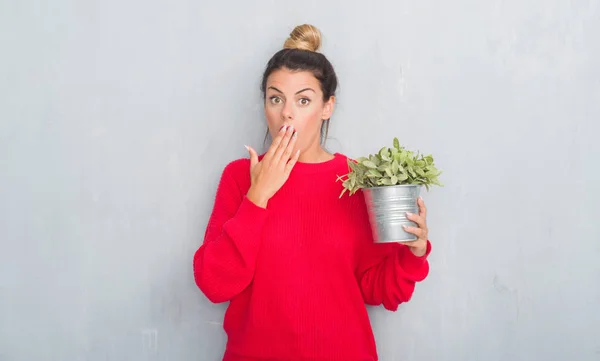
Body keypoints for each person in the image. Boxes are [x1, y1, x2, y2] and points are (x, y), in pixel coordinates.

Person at [193, 24, 432, 361]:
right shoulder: (239, 177)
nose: (286, 113)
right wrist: (257, 196)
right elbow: (214, 285)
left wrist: (413, 252)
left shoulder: (356, 181)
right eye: (276, 98)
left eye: (303, 100)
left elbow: (378, 289)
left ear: (327, 107)